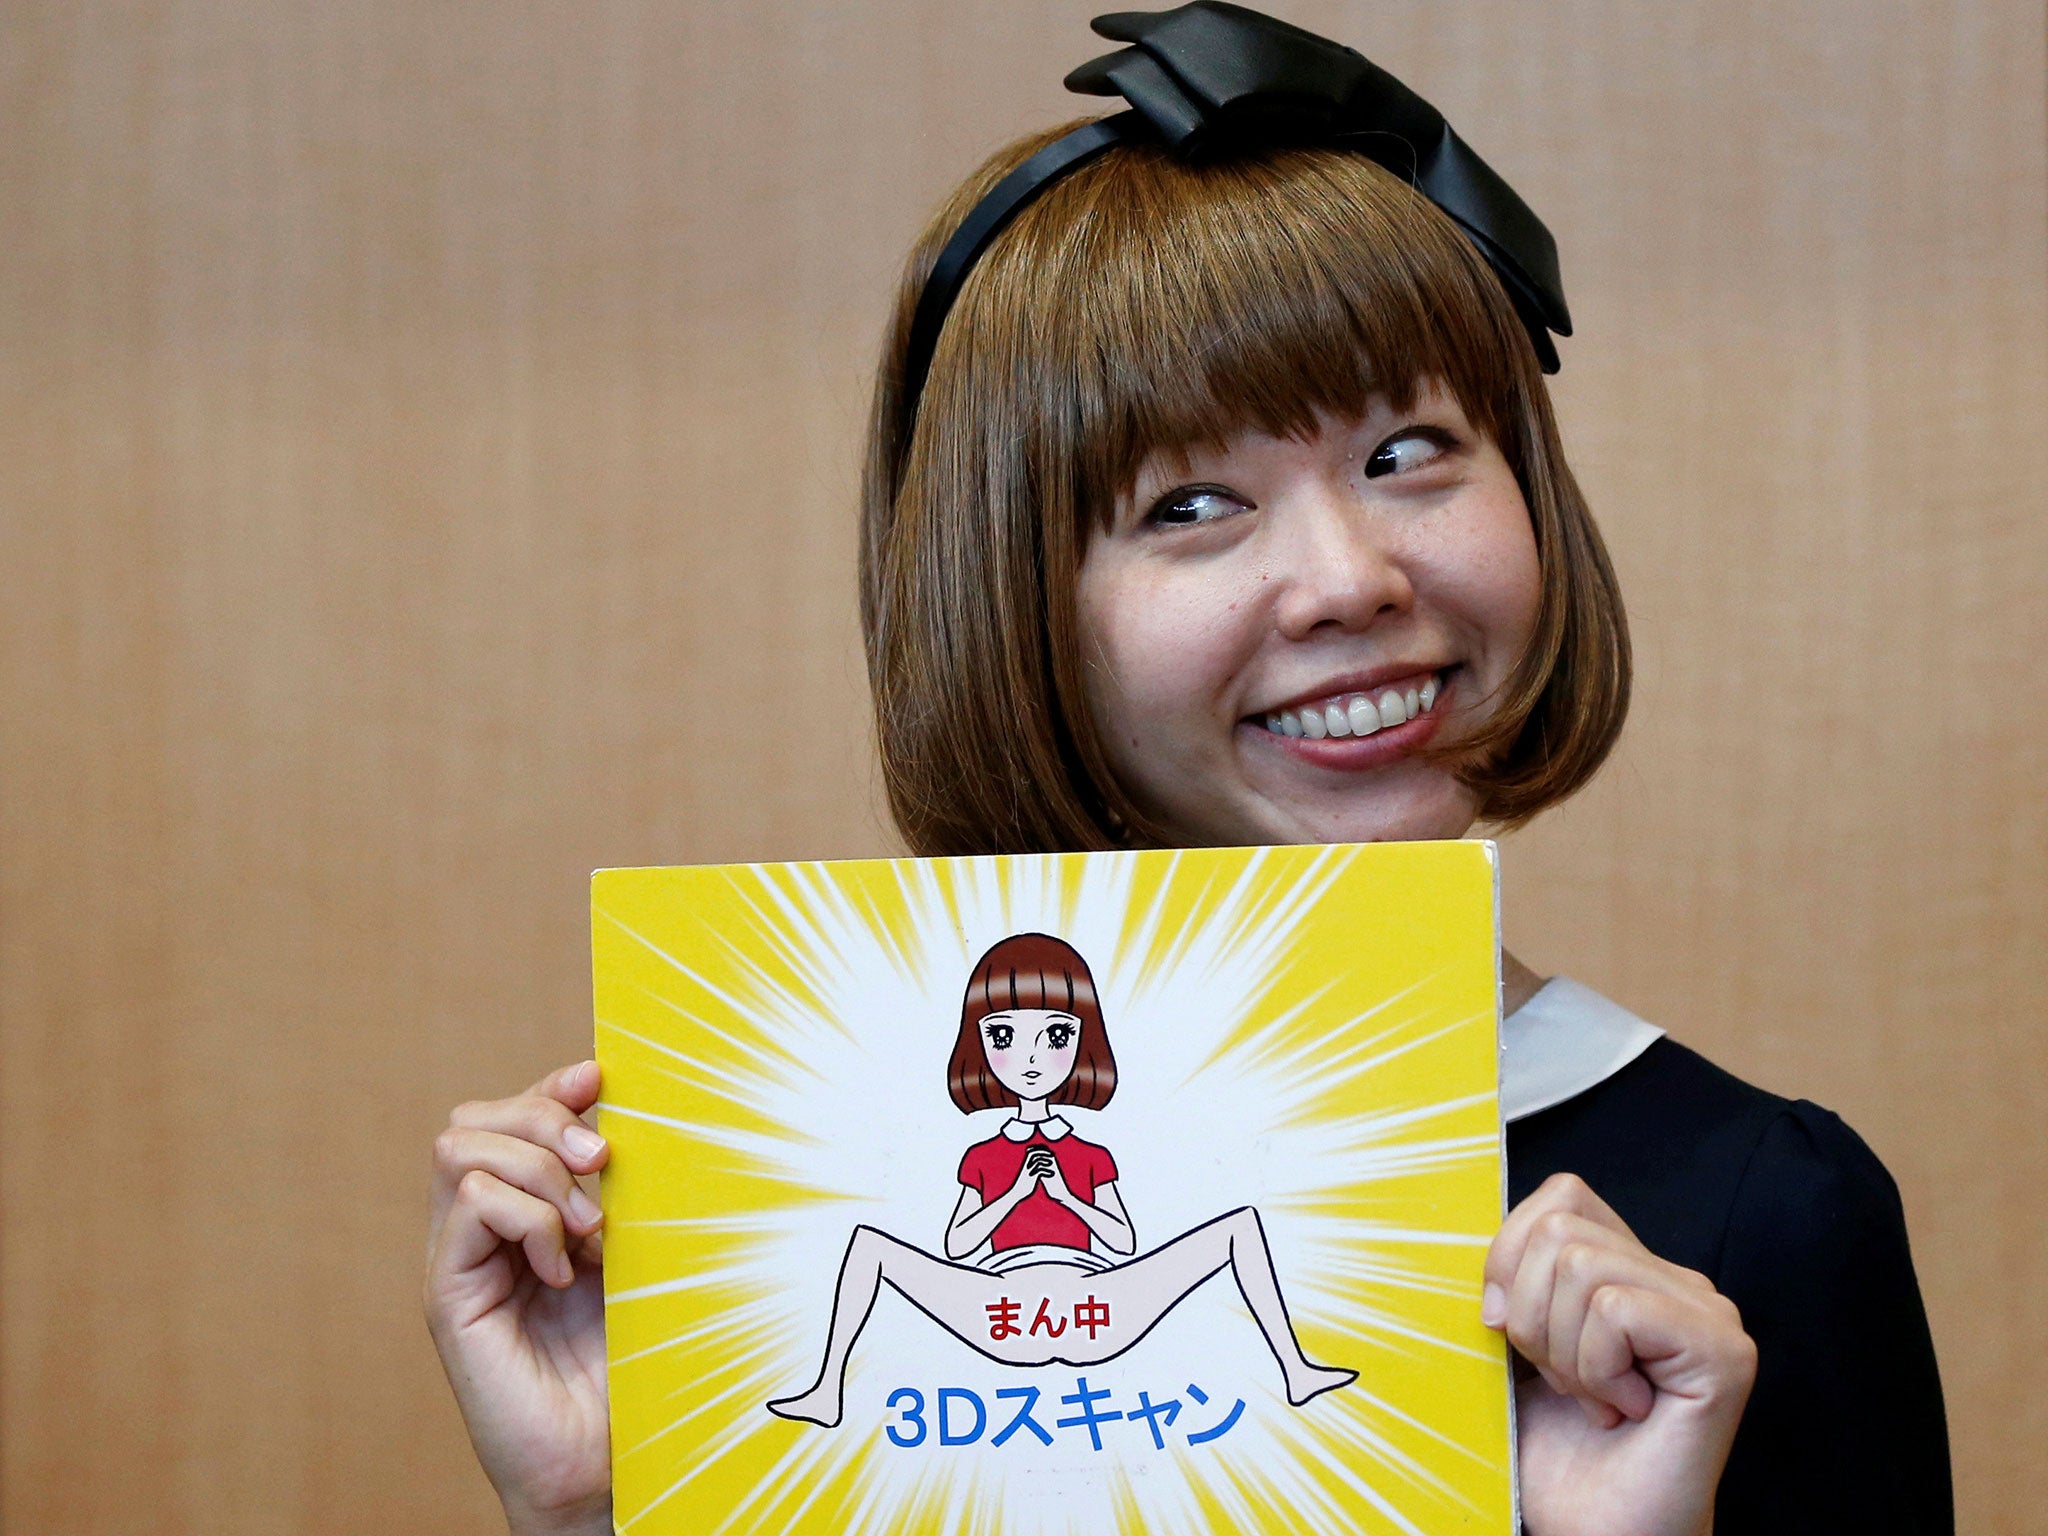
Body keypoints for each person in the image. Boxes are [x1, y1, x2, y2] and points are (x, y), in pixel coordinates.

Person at [423, 6, 1951, 1534]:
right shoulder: (784, 1199)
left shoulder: (1762, 1210)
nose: (1348, 579)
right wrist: (586, 1512)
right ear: (1022, 610)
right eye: (1193, 504)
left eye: (1409, 452)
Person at [761, 930, 1356, 1429]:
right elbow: (956, 1246)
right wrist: (1017, 1194)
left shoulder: (1090, 1151)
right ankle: (826, 1390)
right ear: (978, 1044)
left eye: (1056, 1034)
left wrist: (1071, 1199)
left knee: (1239, 1228)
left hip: (1099, 1303)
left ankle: (1296, 1371)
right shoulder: (983, 1154)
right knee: (869, 1245)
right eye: (1003, 1035)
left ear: (1082, 1041)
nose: (1030, 1056)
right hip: (1000, 1305)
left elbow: (1123, 1243)